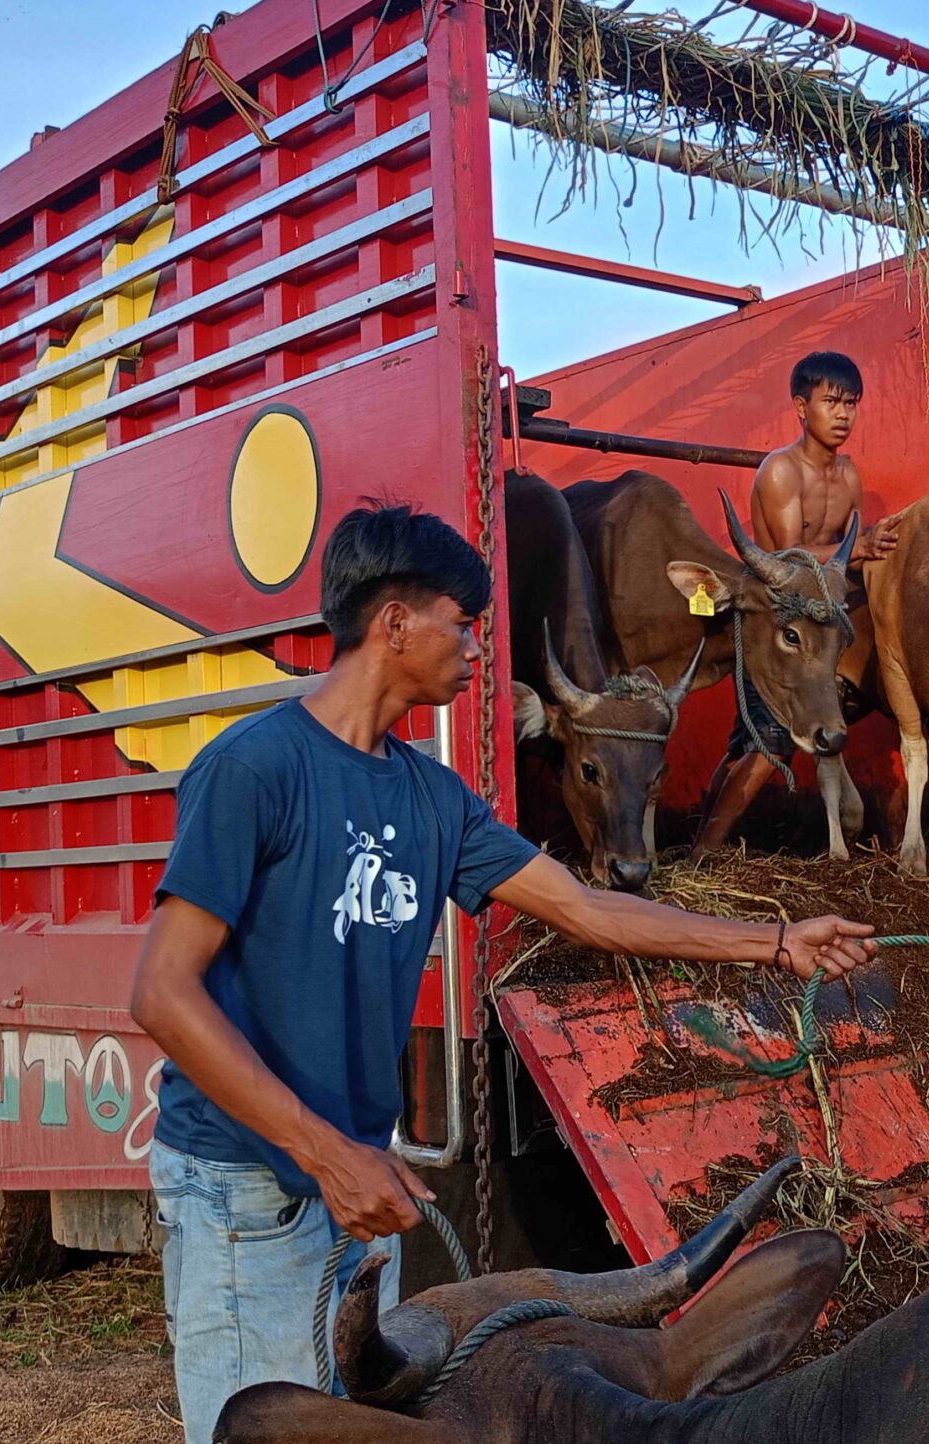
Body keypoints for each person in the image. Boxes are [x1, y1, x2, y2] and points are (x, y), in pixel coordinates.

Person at [130, 502, 878, 1444]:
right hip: (251, 1186)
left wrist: (775, 943)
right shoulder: (254, 769)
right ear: (394, 623)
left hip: (351, 1184)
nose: (477, 649)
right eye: (463, 623)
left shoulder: (431, 797)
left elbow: (588, 908)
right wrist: (327, 1153)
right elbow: (161, 993)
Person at [695, 351, 902, 852]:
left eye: (851, 403)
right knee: (771, 742)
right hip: (774, 623)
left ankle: (695, 832)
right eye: (831, 402)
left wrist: (866, 554)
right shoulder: (781, 471)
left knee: (751, 740)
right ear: (800, 407)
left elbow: (839, 566)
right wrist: (861, 546)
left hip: (821, 628)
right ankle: (702, 854)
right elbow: (787, 562)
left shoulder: (849, 476)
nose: (843, 414)